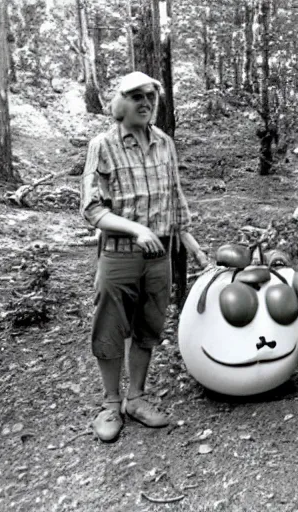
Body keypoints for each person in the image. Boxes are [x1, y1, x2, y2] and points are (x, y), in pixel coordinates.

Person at [81, 71, 208, 442]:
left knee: (148, 327)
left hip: (160, 257)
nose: (145, 102)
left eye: (150, 96)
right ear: (119, 104)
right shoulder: (102, 145)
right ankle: (110, 403)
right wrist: (136, 229)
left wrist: (194, 246)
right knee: (110, 327)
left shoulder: (166, 142)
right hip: (119, 255)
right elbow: (91, 208)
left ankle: (135, 398)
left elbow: (175, 199)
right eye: (135, 96)